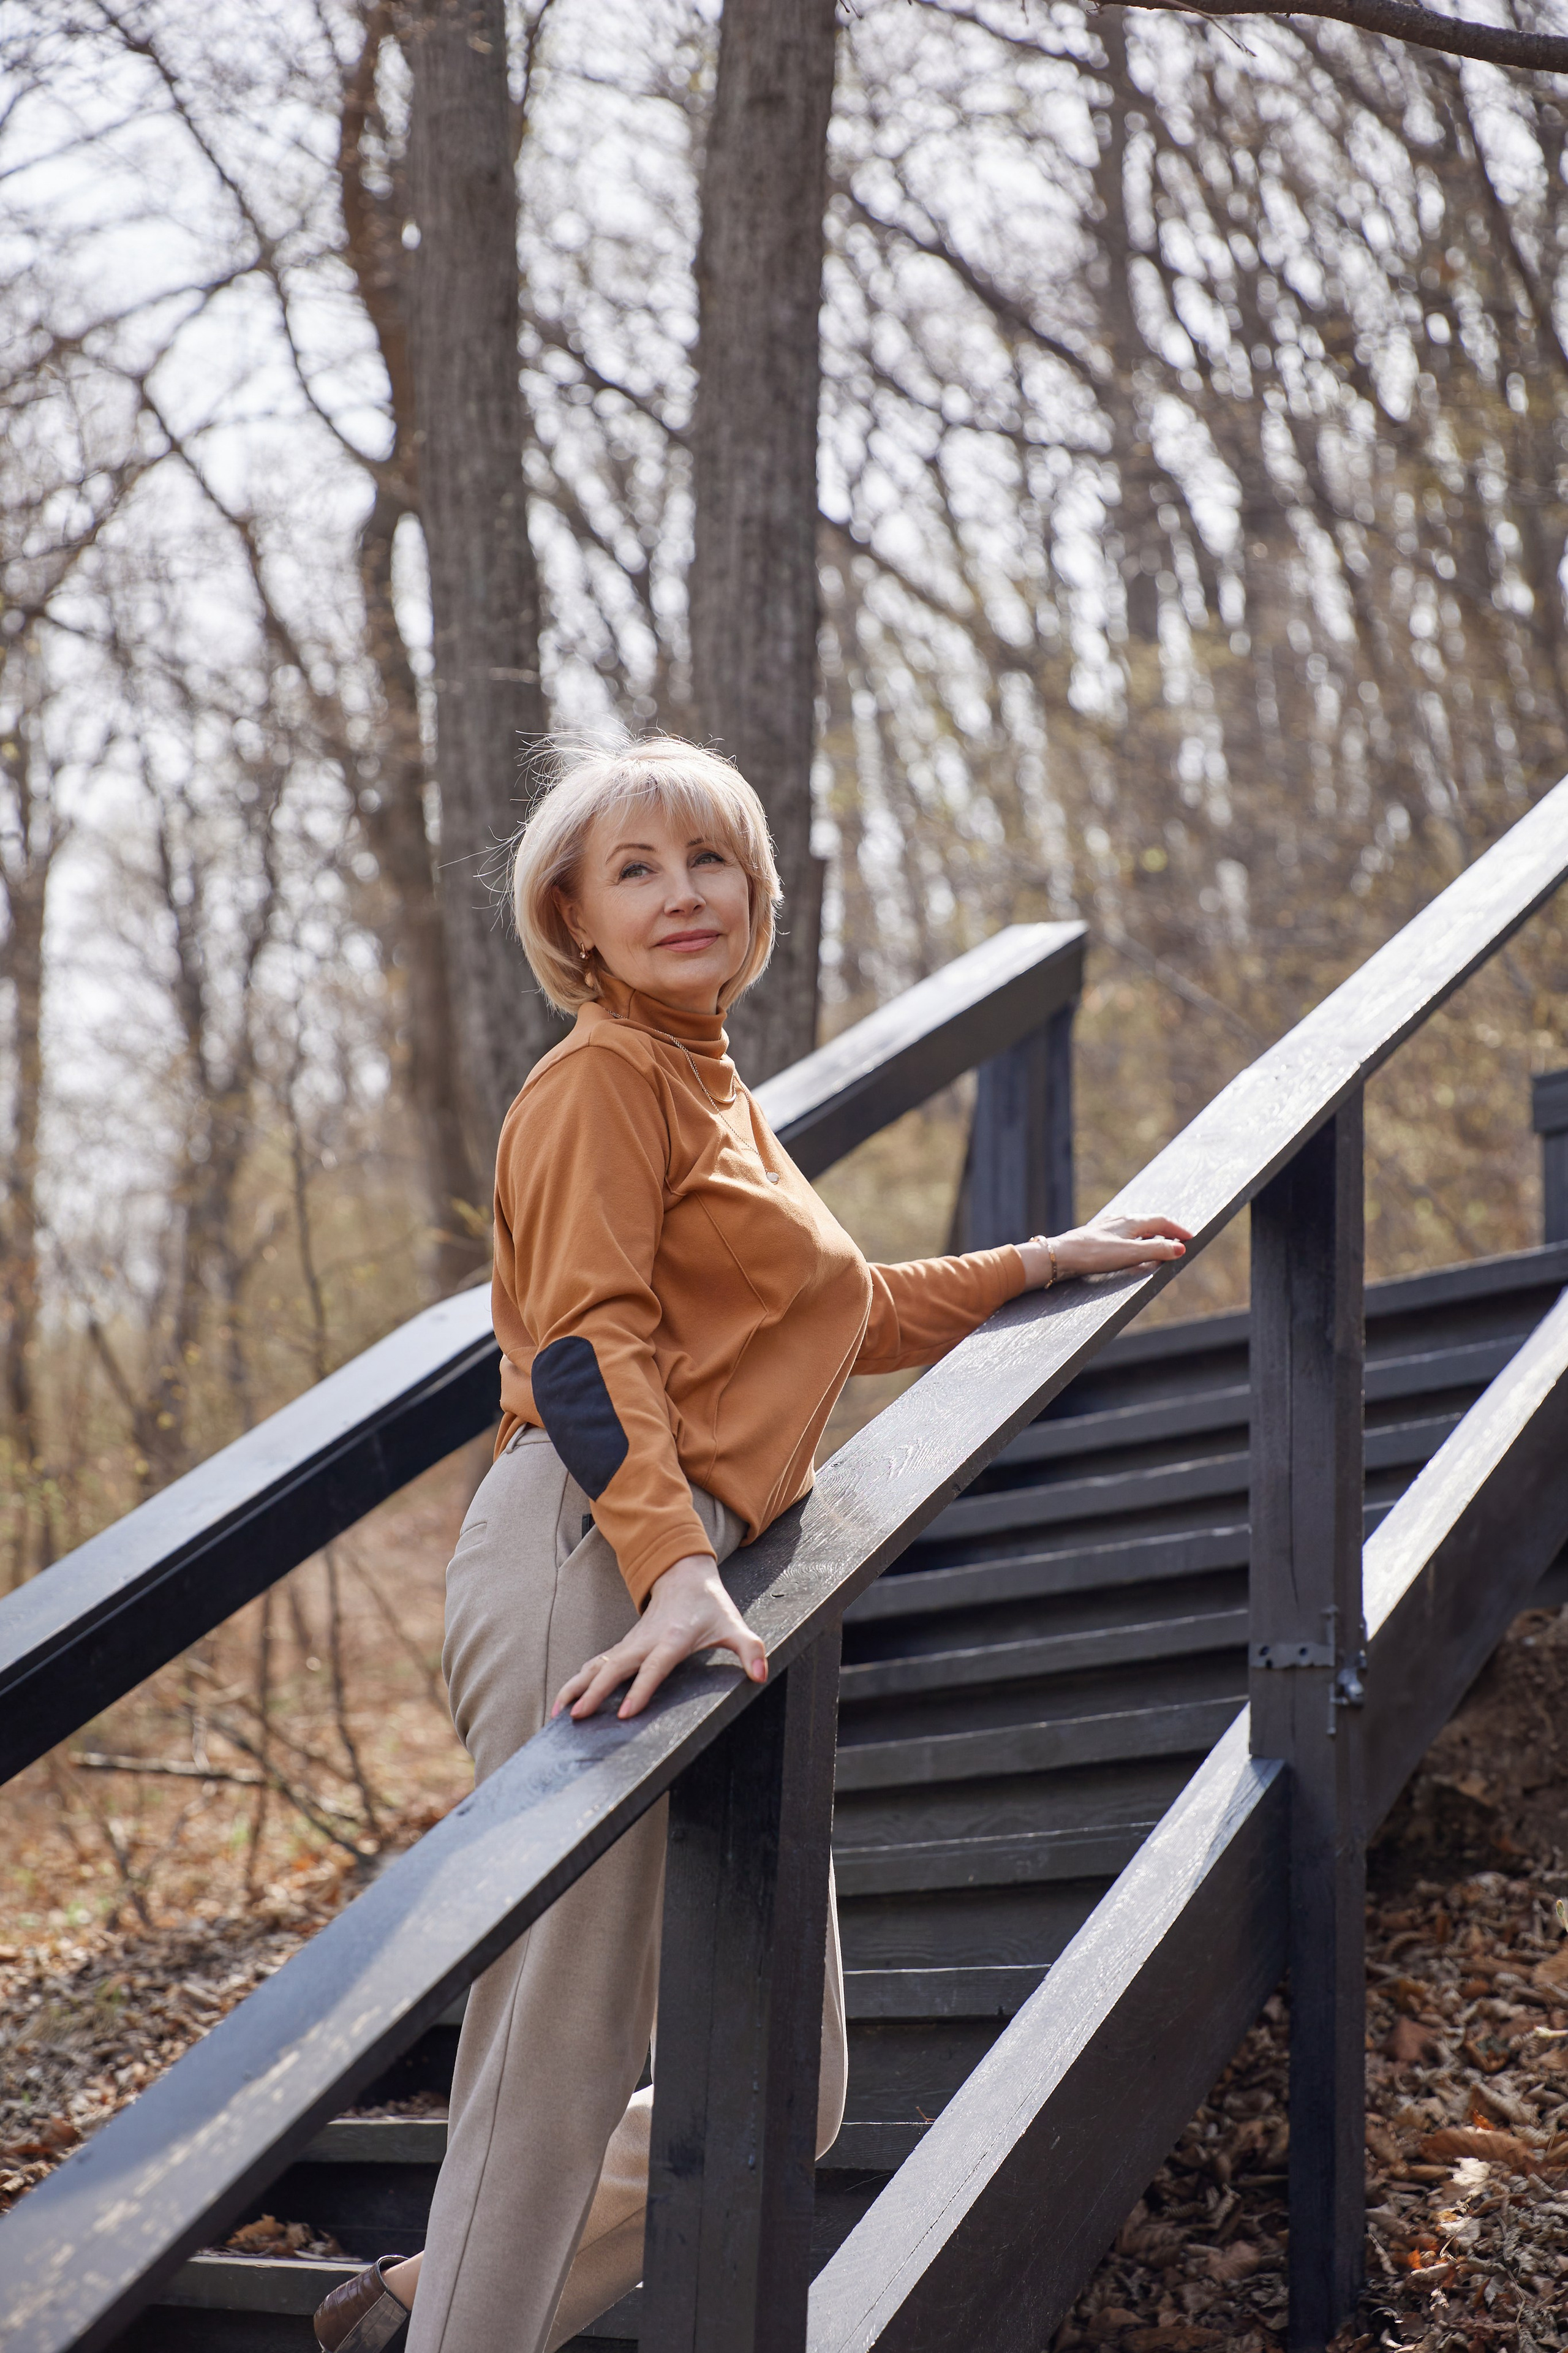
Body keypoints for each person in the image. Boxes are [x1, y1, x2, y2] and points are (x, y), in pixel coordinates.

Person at [312, 737, 1191, 2353]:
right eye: (635, 869)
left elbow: (836, 1311)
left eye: (709, 858)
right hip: (606, 1551)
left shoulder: (714, 1091)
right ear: (572, 917)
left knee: (789, 2074)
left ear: (757, 888)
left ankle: (419, 2312)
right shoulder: (597, 1081)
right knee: (558, 2041)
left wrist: (1037, 1259)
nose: (681, 892)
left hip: (709, 1569)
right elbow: (582, 1348)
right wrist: (671, 1563)